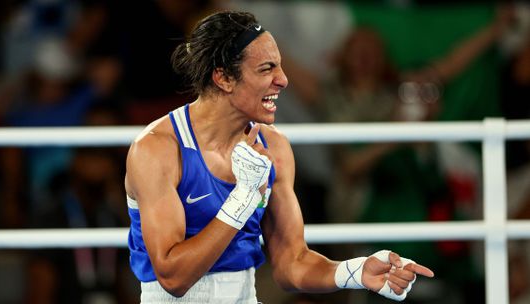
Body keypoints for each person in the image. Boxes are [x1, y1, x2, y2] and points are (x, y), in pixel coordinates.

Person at [124, 11, 434, 303]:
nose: (283, 80)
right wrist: (243, 196)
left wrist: (355, 272)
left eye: (280, 66)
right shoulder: (158, 149)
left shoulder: (274, 148)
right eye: (266, 68)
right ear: (224, 78)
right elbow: (173, 276)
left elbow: (291, 263)